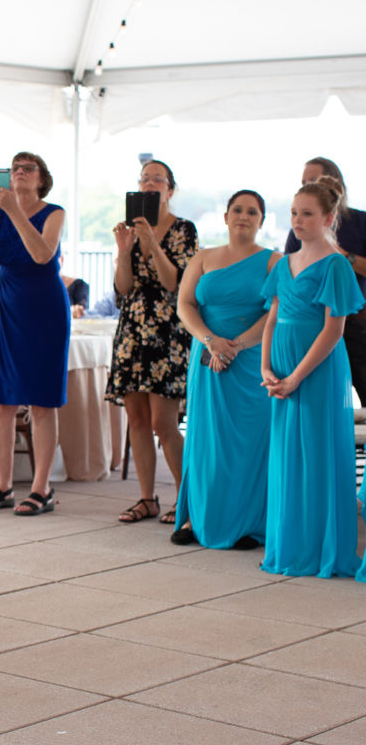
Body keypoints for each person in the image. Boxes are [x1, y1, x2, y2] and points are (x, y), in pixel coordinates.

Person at [260, 177, 364, 578]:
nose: (298, 221)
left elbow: (334, 330)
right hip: (282, 368)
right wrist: (267, 368)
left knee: (316, 451)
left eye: (307, 214)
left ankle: (318, 546)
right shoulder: (284, 261)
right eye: (294, 213)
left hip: (317, 369)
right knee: (287, 455)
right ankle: (290, 543)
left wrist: (298, 376)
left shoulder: (336, 263)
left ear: (328, 217)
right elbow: (271, 317)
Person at [172, 190, 280, 549]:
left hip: (250, 360)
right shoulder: (203, 258)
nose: (244, 216)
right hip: (207, 356)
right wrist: (210, 341)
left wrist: (236, 347)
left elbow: (275, 313)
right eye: (237, 209)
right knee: (205, 438)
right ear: (226, 216)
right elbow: (185, 305)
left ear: (261, 220)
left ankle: (248, 522)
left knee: (249, 442)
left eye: (252, 211)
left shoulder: (273, 261)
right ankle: (194, 517)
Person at [0, 152, 68, 516]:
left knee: (41, 401)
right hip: (8, 308)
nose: (20, 173)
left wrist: (13, 212)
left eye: (28, 169)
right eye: (15, 169)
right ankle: (3, 485)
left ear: (42, 179)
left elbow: (43, 254)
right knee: (2, 402)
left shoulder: (53, 212)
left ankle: (42, 488)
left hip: (45, 309)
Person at [107, 159, 198, 526]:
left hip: (168, 333)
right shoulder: (129, 229)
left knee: (164, 422)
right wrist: (123, 249)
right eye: (144, 179)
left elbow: (174, 283)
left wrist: (150, 242)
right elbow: (124, 288)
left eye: (157, 179)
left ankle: (186, 498)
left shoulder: (183, 230)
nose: (149, 184)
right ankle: (147, 499)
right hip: (132, 330)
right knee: (137, 418)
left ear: (170, 189)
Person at [284, 157, 366, 406]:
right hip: (311, 329)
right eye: (303, 182)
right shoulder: (297, 231)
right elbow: (290, 278)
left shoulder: (361, 221)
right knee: (317, 402)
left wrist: (342, 256)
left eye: (313, 180)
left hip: (359, 326)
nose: (307, 186)